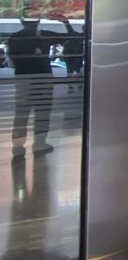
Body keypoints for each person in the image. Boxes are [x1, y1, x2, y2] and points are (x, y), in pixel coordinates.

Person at [7, 15, 76, 158]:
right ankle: (39, 143)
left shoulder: (14, 38)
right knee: (42, 112)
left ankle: (18, 147)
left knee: (22, 113)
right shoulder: (45, 35)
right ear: (38, 21)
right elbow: (73, 37)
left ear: (22, 22)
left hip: (24, 80)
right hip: (43, 79)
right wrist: (65, 23)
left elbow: (14, 59)